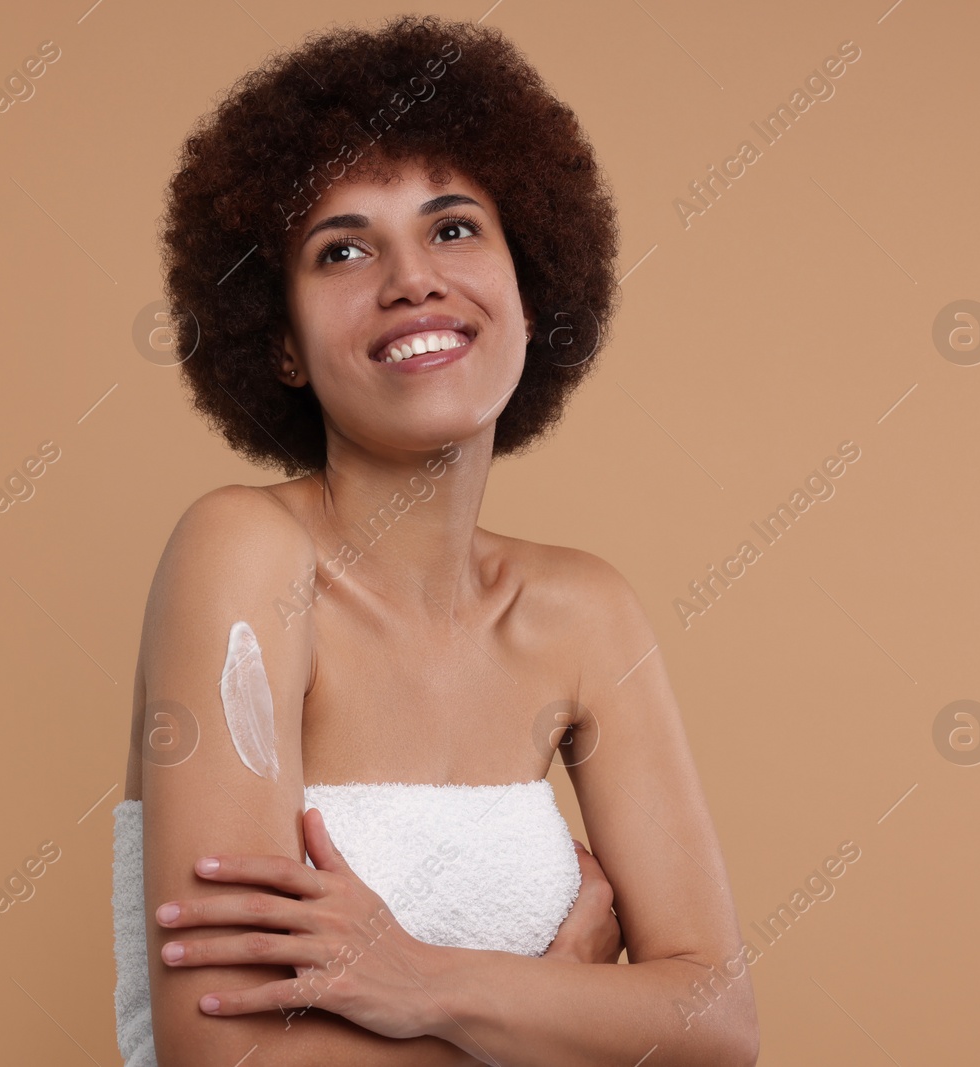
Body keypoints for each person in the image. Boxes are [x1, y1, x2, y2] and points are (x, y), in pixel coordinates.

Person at [113, 13, 759, 1066]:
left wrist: (426, 981)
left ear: (527, 286)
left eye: (453, 228)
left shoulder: (584, 612)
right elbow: (228, 1058)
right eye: (342, 248)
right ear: (279, 342)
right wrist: (557, 997)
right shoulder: (244, 555)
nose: (411, 277)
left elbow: (718, 1025)